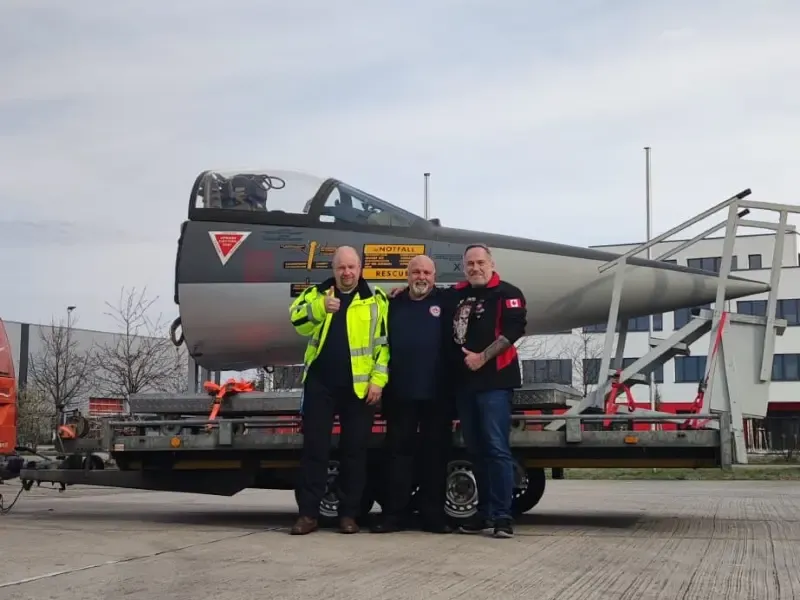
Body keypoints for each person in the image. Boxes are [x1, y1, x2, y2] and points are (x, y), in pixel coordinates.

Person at [288, 245, 390, 535]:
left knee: (354, 453)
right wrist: (320, 309)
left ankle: (349, 515)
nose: (347, 272)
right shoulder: (317, 294)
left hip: (359, 389)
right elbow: (297, 322)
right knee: (314, 451)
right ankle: (308, 515)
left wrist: (378, 381)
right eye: (341, 267)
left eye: (352, 267)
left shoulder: (376, 300)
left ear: (360, 269)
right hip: (321, 384)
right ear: (333, 270)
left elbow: (384, 345)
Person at [445, 243, 527, 539]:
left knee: (496, 449)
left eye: (480, 262)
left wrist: (482, 358)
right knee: (476, 451)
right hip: (464, 386)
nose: (475, 268)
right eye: (470, 264)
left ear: (491, 263)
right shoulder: (456, 295)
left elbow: (515, 330)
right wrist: (399, 293)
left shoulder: (508, 293)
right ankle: (484, 513)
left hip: (495, 384)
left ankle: (503, 516)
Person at [370, 255, 454, 535]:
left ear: (434, 275)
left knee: (435, 456)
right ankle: (394, 515)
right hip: (400, 395)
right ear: (406, 276)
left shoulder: (447, 301)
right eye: (416, 272)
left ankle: (433, 516)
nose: (421, 277)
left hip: (438, 395)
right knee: (396, 457)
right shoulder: (392, 304)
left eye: (427, 272)